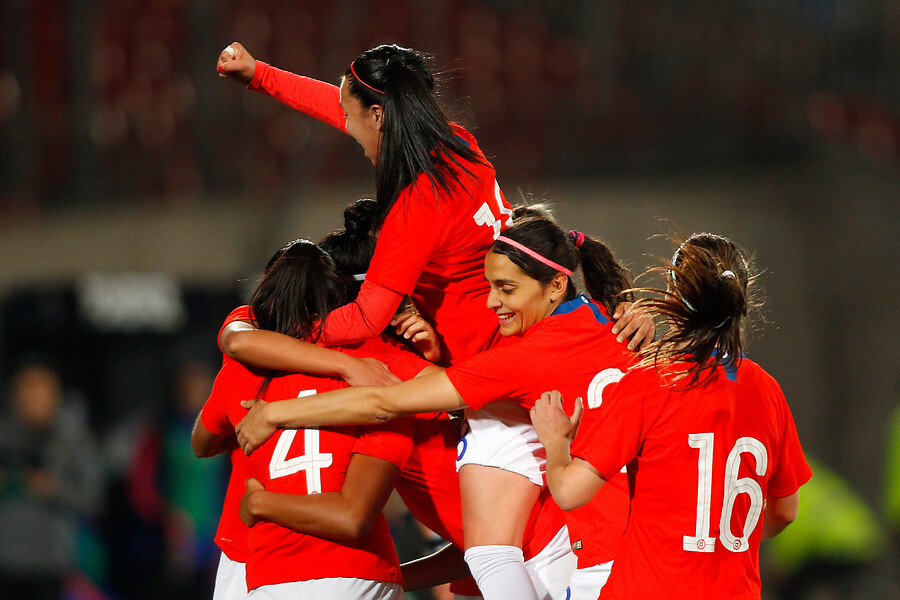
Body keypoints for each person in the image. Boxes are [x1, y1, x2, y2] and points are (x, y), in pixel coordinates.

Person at [234, 215, 637, 600]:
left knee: (489, 553)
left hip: (578, 550)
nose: (491, 303)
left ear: (555, 286)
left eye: (506, 289)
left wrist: (273, 414)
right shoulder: (603, 317)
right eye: (487, 287)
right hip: (616, 538)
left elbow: (382, 402)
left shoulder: (522, 358)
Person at [216, 42, 653, 364]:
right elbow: (341, 105)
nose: (345, 125)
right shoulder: (457, 143)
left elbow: (366, 318)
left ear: (379, 117)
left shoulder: (418, 207)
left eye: (351, 115)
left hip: (486, 365)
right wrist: (259, 74)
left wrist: (282, 329)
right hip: (527, 334)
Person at [530, 232, 813, 599]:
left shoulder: (652, 382)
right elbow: (786, 510)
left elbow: (569, 492)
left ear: (675, 297)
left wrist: (556, 442)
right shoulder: (766, 389)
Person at [193, 238, 441, 599]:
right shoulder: (380, 369)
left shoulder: (245, 361)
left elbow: (202, 442)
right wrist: (425, 355)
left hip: (256, 551)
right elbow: (450, 391)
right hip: (358, 567)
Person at [0, 358, 105, 600]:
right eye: (27, 387)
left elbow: (93, 497)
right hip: (5, 559)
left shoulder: (72, 439)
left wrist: (52, 487)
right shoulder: (4, 432)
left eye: (40, 388)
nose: (33, 396)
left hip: (49, 562)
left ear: (55, 393)